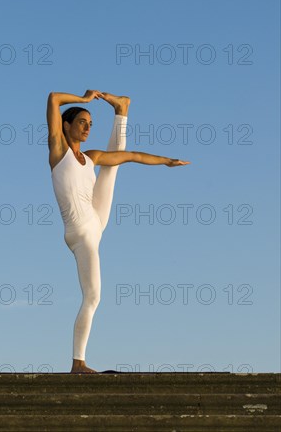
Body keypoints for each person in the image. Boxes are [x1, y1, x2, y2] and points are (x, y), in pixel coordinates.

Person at [47, 90, 190, 373]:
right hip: (80, 234)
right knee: (93, 296)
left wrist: (165, 160)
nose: (87, 128)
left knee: (113, 168)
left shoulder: (92, 157)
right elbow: (53, 98)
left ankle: (121, 111)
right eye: (82, 123)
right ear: (66, 126)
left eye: (90, 124)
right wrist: (85, 100)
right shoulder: (58, 152)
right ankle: (78, 363)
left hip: (95, 220)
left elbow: (131, 155)